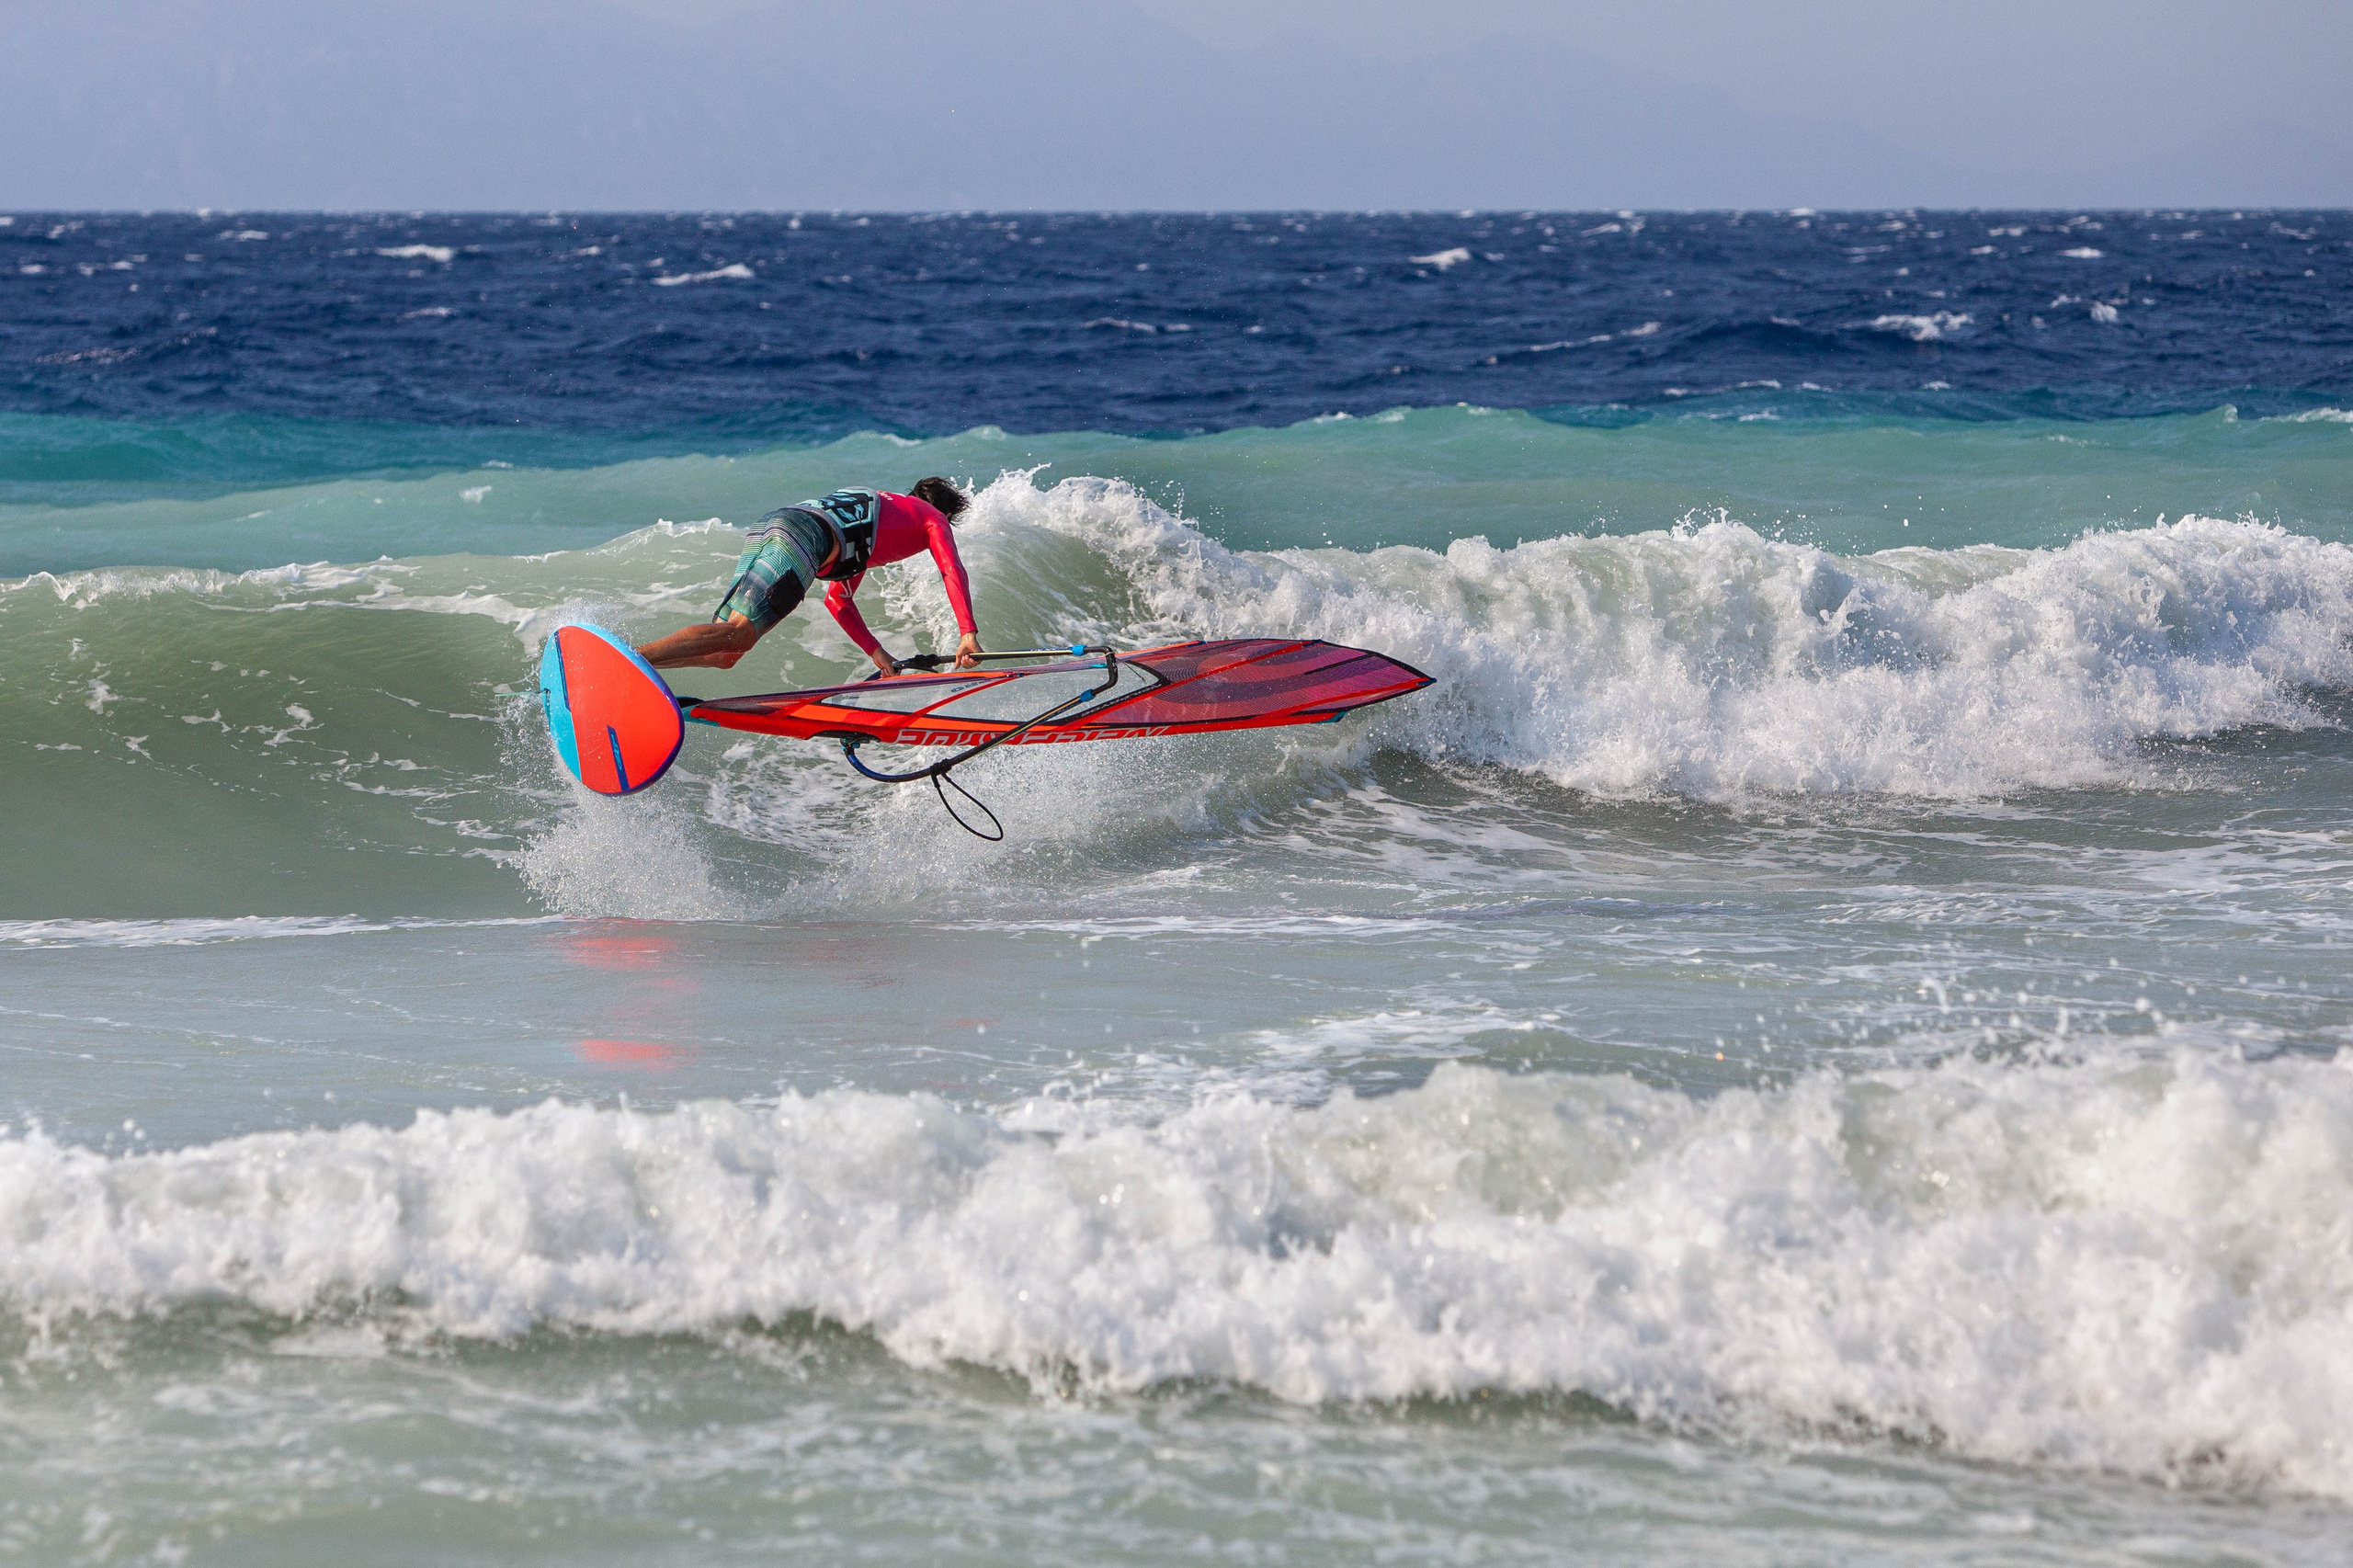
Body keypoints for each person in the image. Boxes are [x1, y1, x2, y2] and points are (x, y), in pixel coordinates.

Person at [637, 477, 983, 677]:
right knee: (737, 634)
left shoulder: (880, 513)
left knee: (726, 652)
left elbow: (838, 598)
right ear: (947, 512)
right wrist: (968, 633)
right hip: (806, 537)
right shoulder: (931, 517)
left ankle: (638, 669)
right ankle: (634, 655)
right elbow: (951, 568)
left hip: (773, 525)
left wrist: (876, 653)